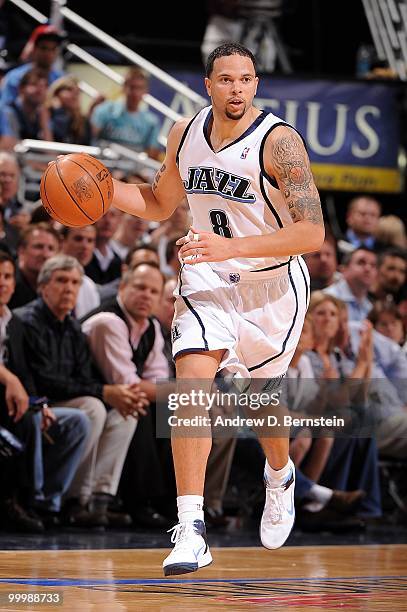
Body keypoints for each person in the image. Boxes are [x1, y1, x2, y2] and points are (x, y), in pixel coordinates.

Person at [60, 43, 325, 575]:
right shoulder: (184, 133)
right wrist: (105, 191)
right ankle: (191, 527)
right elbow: (160, 203)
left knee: (259, 404)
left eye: (246, 79)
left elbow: (312, 233)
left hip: (272, 285)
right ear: (209, 84)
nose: (237, 89)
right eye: (226, 79)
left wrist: (231, 248)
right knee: (190, 390)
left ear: (255, 83)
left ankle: (280, 473)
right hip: (206, 275)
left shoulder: (279, 143)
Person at [90, 66, 162, 160]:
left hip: (134, 171)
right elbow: (90, 137)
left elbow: (152, 154)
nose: (135, 93)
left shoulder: (151, 121)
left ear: (145, 91)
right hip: (105, 166)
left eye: (139, 88)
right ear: (124, 88)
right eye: (132, 87)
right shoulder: (105, 110)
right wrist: (91, 108)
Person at [0, 24, 64, 108]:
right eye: (43, 48)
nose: (48, 53)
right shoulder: (15, 77)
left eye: (53, 49)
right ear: (34, 49)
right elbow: (6, 110)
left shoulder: (61, 79)